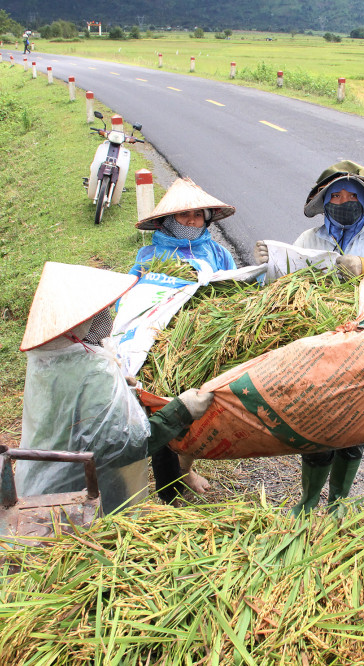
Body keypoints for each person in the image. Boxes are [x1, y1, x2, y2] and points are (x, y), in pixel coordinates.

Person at [253, 160, 364, 514]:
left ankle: (340, 501)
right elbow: (280, 291)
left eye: (352, 195)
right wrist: (268, 266)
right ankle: (308, 501)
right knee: (317, 427)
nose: (344, 201)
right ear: (324, 201)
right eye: (336, 195)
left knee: (355, 428)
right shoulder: (309, 240)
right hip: (319, 349)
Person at [15, 262, 212, 515]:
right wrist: (181, 410)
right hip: (77, 498)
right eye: (100, 313)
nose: (107, 319)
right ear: (83, 322)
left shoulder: (49, 360)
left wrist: (123, 392)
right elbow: (124, 446)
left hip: (38, 484)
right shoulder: (94, 371)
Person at [130, 176, 238, 504]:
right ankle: (169, 492)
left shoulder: (216, 252)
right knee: (164, 408)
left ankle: (187, 469)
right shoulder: (149, 256)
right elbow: (133, 299)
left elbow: (236, 288)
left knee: (198, 413)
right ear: (166, 220)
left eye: (197, 215)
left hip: (206, 343)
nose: (192, 221)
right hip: (163, 346)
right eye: (183, 216)